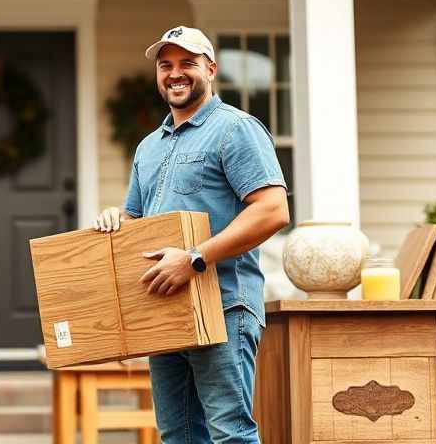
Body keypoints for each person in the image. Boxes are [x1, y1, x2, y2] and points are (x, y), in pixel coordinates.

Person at [94, 25, 290, 443]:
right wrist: (116, 219)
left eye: (188, 63)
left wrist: (195, 257)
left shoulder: (236, 129)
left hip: (223, 307)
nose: (175, 73)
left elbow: (273, 210)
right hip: (165, 311)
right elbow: (136, 222)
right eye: (166, 65)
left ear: (211, 69)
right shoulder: (149, 146)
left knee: (230, 435)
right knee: (177, 436)